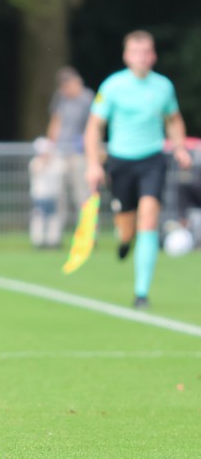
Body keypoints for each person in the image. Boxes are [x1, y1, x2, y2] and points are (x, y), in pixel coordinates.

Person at [84, 30, 191, 309]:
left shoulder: (163, 87)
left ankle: (141, 292)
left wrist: (179, 147)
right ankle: (124, 240)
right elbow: (94, 127)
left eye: (146, 52)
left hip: (152, 159)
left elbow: (174, 119)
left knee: (149, 219)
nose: (142, 57)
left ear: (153, 55)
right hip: (121, 162)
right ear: (126, 56)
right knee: (127, 227)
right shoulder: (112, 87)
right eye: (136, 52)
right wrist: (94, 164)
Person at [36, 66, 94, 246]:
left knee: (83, 197)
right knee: (58, 197)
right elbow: (55, 123)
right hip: (60, 153)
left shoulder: (87, 98)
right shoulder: (60, 98)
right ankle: (54, 238)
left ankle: (88, 236)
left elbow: (94, 126)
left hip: (80, 154)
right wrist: (49, 148)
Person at [29, 136, 65, 248]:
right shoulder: (35, 162)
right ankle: (38, 240)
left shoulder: (57, 162)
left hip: (53, 196)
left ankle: (53, 241)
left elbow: (62, 171)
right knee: (39, 218)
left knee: (54, 219)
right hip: (40, 196)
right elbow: (35, 170)